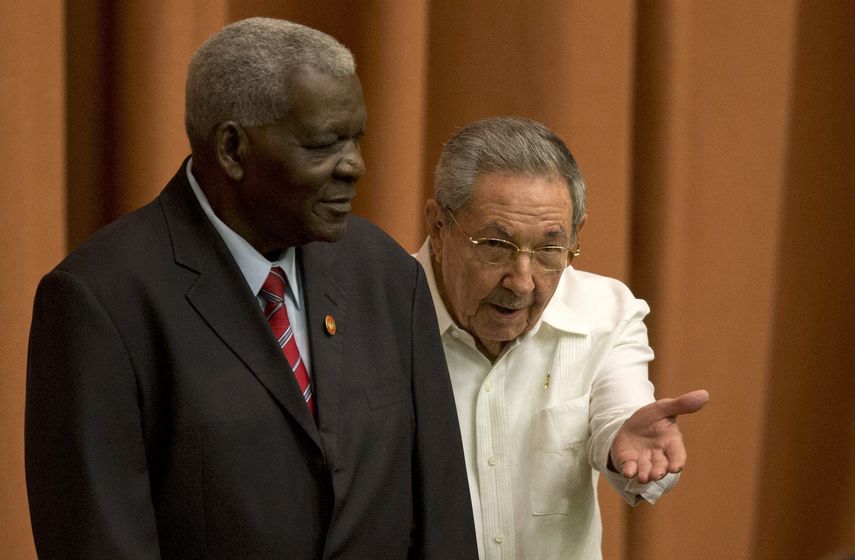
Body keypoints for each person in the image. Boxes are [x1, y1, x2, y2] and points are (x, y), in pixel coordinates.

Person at [25, 17, 477, 560]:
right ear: (233, 150)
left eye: (357, 138)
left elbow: (443, 519)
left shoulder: (388, 274)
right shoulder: (101, 301)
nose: (355, 166)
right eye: (323, 145)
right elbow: (98, 541)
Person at [415, 116, 709, 559]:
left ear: (575, 236)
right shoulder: (376, 313)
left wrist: (623, 444)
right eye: (496, 244)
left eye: (550, 251)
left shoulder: (608, 312)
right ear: (439, 227)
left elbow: (621, 414)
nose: (523, 281)